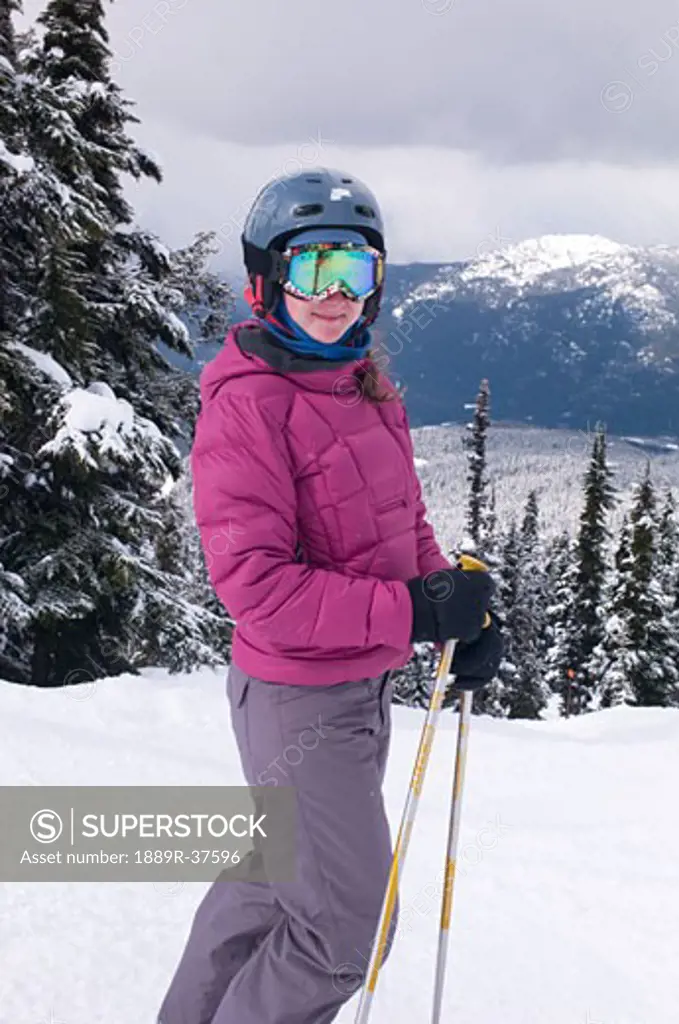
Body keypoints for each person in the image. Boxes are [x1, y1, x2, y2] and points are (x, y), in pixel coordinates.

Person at [158, 167, 504, 1024]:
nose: (335, 295)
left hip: (352, 687)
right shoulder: (250, 406)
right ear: (267, 280)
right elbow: (259, 589)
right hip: (299, 698)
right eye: (312, 270)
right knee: (342, 934)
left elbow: (402, 525)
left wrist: (455, 609)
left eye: (355, 271)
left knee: (271, 889)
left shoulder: (359, 384)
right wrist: (415, 616)